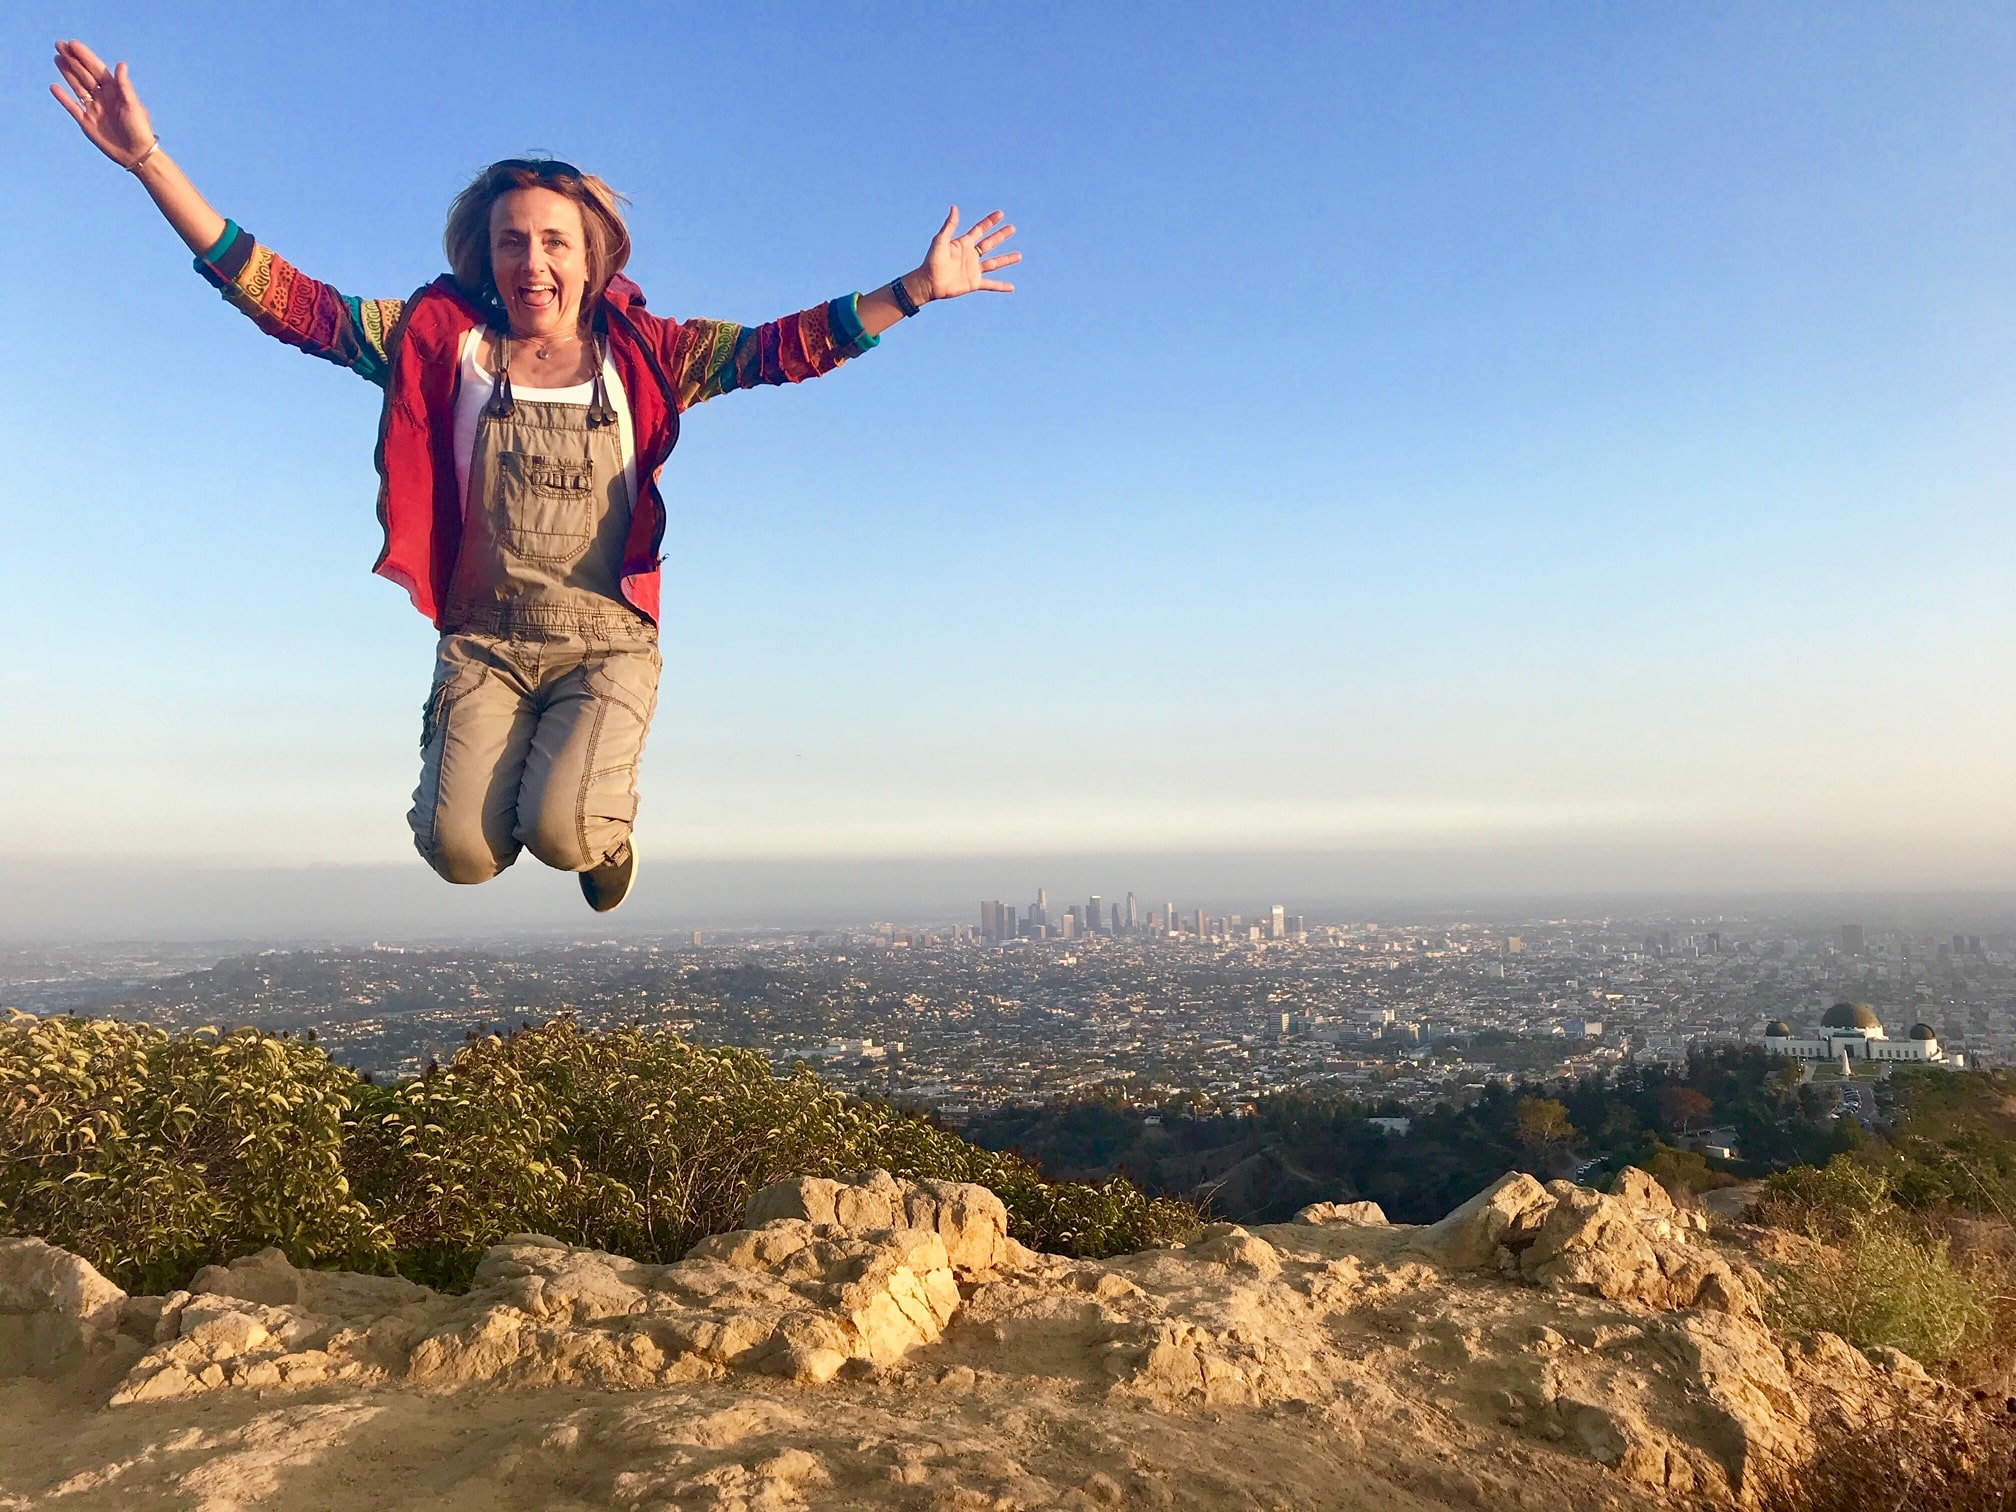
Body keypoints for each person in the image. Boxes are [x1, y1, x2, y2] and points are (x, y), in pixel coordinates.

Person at [50, 38, 1019, 913]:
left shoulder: (649, 356)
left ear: (591, 258)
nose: (532, 261)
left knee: (562, 833)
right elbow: (284, 298)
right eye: (511, 240)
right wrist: (149, 161)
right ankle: (524, 784)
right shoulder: (438, 346)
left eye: (555, 241)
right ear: (487, 254)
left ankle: (603, 831)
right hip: (486, 641)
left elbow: (783, 348)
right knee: (459, 854)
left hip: (606, 643)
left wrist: (915, 290)